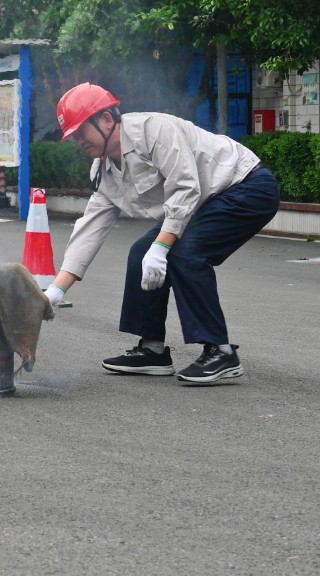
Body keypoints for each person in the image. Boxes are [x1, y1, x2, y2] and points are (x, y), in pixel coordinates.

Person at [42, 83, 280, 386]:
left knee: (185, 253)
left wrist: (162, 248)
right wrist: (56, 292)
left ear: (106, 119)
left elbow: (185, 188)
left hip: (245, 186)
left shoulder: (154, 130)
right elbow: (90, 227)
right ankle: (153, 351)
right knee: (141, 252)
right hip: (202, 202)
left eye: (81, 131)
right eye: (73, 136)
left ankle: (221, 353)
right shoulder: (104, 170)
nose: (78, 141)